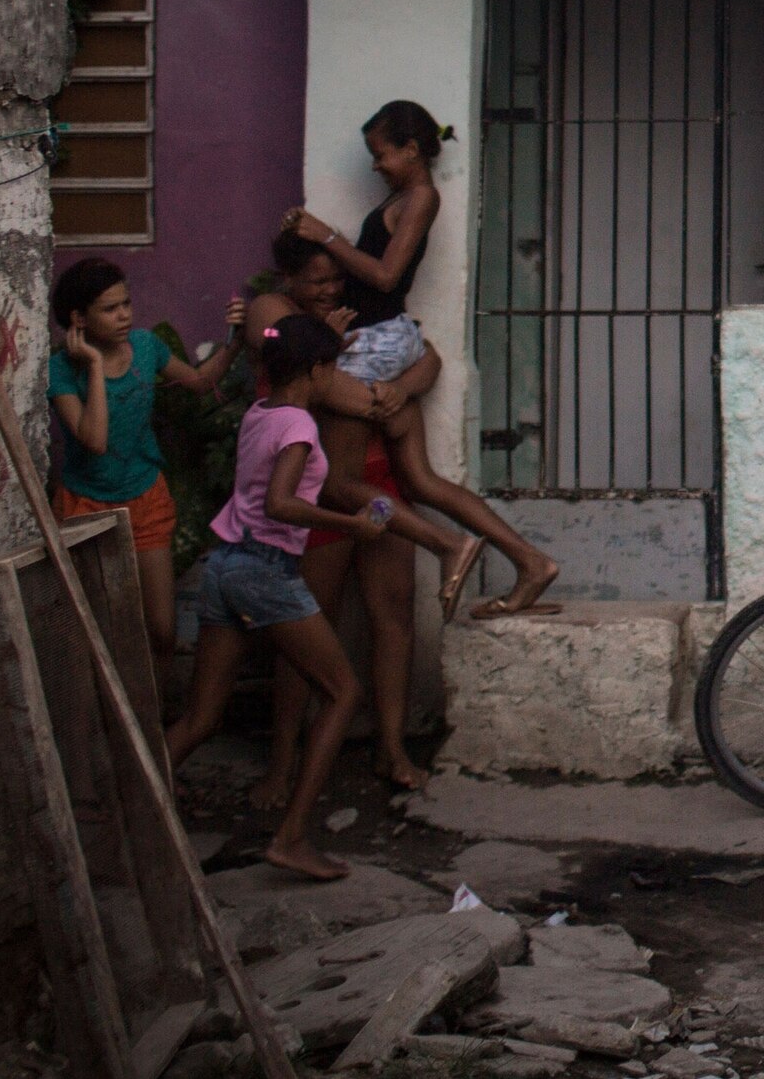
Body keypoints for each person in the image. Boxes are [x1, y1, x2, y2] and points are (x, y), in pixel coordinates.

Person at [284, 104, 560, 618]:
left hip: (373, 348)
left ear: (412, 149)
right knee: (418, 481)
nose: (375, 165)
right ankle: (531, 560)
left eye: (380, 154)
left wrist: (326, 236)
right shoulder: (404, 197)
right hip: (388, 343)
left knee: (339, 485)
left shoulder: (421, 197)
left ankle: (448, 545)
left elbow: (386, 277)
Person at [241, 228, 473, 802]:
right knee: (307, 629)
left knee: (391, 617)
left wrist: (401, 384)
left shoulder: (356, 314)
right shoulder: (273, 317)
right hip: (320, 493)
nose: (329, 289)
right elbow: (288, 356)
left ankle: (391, 749)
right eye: (316, 281)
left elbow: (430, 358)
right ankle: (282, 764)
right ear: (289, 279)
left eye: (335, 278)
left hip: (378, 479)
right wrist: (382, 396)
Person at [164, 314, 391, 881]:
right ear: (315, 372)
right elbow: (281, 505)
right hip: (265, 570)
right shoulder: (300, 426)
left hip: (224, 565)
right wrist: (352, 524)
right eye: (331, 369)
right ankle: (291, 837)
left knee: (200, 718)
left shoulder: (260, 413)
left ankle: (129, 810)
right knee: (342, 693)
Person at [49, 257, 232, 667]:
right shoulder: (60, 369)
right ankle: (110, 725)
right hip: (87, 504)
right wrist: (95, 366)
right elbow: (94, 441)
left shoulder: (148, 347)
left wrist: (235, 340)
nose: (124, 315)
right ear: (78, 318)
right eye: (110, 308)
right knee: (102, 633)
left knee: (162, 631)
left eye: (126, 304)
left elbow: (201, 383)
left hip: (145, 497)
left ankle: (154, 724)